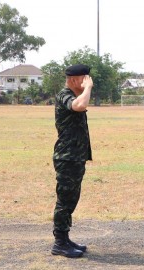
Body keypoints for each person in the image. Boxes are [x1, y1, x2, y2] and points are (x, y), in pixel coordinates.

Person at [51, 64, 94, 258]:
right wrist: (88, 89)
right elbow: (79, 106)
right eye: (84, 79)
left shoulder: (74, 94)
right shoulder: (64, 95)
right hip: (66, 157)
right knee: (65, 200)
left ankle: (65, 238)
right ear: (73, 80)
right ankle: (59, 243)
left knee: (71, 199)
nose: (87, 82)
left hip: (75, 157)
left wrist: (85, 89)